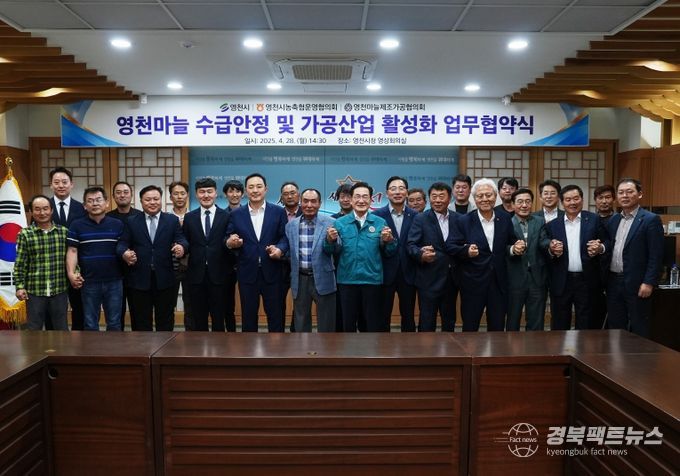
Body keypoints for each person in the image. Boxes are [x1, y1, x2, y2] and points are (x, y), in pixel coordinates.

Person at [324, 181, 397, 332]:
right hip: (347, 281)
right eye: (357, 197)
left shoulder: (380, 222)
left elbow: (389, 252)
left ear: (371, 200)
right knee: (347, 326)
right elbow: (330, 251)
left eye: (365, 197)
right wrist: (329, 241)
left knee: (371, 327)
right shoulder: (340, 223)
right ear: (351, 200)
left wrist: (389, 241)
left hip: (372, 281)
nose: (361, 200)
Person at [451, 178, 520, 331]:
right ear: (474, 199)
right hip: (472, 281)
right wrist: (466, 251)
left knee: (497, 325)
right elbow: (451, 246)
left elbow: (511, 241)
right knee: (470, 326)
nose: (484, 199)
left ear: (495, 197)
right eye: (480, 196)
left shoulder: (505, 218)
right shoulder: (464, 220)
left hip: (498, 280)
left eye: (488, 195)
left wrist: (516, 247)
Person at [118, 185, 188, 331]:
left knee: (165, 320)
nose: (152, 202)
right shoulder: (132, 221)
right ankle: (143, 346)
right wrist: (124, 253)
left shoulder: (171, 220)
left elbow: (182, 239)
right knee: (141, 321)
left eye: (156, 199)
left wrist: (181, 247)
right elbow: (122, 244)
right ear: (141, 202)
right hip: (139, 279)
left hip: (165, 278)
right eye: (148, 199)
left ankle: (165, 346)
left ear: (161, 200)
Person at [226, 173, 289, 332]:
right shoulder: (236, 214)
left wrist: (280, 249)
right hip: (247, 273)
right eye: (251, 187)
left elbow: (285, 237)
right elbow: (227, 236)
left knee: (276, 317)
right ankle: (249, 348)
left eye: (259, 187)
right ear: (246, 191)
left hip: (273, 272)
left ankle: (277, 347)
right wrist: (231, 242)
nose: (255, 190)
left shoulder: (278, 212)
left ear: (266, 189)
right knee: (248, 318)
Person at [543, 184, 608, 330]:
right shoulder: (553, 225)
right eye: (568, 200)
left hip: (587, 280)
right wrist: (551, 250)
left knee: (586, 321)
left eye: (576, 198)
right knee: (560, 322)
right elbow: (545, 251)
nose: (572, 202)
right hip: (561, 280)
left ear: (582, 200)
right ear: (562, 202)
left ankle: (583, 346)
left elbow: (608, 242)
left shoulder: (594, 220)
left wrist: (600, 248)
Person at [606, 178, 664, 338]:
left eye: (629, 192)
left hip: (638, 282)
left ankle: (639, 355)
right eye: (621, 192)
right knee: (616, 326)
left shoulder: (650, 219)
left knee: (639, 327)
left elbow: (656, 255)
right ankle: (617, 354)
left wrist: (648, 282)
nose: (625, 196)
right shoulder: (614, 220)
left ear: (640, 194)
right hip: (613, 281)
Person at [66, 186, 124, 331]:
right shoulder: (77, 225)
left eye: (98, 200)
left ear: (107, 203)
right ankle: (91, 347)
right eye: (90, 201)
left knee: (114, 322)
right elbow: (72, 250)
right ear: (85, 206)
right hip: (89, 281)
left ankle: (115, 347)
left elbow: (124, 248)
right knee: (90, 323)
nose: (95, 203)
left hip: (114, 281)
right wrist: (71, 274)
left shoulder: (118, 224)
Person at [407, 182, 459, 332]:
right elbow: (411, 245)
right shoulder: (421, 219)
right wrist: (421, 254)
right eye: (434, 196)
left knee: (449, 320)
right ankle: (425, 347)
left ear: (450, 198)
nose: (437, 200)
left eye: (441, 196)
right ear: (429, 199)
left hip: (452, 278)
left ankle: (449, 347)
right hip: (428, 278)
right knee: (427, 321)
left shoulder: (458, 218)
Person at [183, 178, 232, 331]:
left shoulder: (226, 216)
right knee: (199, 318)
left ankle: (219, 346)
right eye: (202, 192)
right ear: (196, 194)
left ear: (216, 193)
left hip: (219, 274)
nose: (206, 195)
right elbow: (186, 242)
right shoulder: (189, 217)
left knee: (219, 317)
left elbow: (229, 241)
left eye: (209, 191)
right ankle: (199, 346)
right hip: (196, 275)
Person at [14, 195, 69, 331]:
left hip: (59, 289)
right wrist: (19, 286)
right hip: (35, 291)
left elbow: (71, 259)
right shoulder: (25, 234)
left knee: (61, 329)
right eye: (37, 209)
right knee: (34, 329)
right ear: (31, 212)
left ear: (51, 210)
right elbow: (20, 263)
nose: (42, 213)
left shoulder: (63, 232)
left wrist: (76, 273)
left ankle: (60, 347)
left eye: (45, 208)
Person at [285, 189, 337, 332]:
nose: (309, 205)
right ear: (300, 203)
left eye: (313, 201)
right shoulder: (291, 226)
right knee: (301, 323)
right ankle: (303, 347)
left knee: (327, 324)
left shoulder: (331, 223)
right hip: (300, 279)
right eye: (305, 201)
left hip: (324, 277)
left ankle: (326, 347)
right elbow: (289, 252)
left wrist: (331, 241)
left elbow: (338, 248)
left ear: (319, 203)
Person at [374, 176, 417, 332]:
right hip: (385, 272)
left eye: (401, 188)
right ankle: (383, 346)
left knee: (409, 316)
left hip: (408, 271)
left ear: (407, 192)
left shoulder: (416, 215)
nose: (397, 192)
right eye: (393, 189)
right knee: (382, 315)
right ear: (387, 193)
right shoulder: (377, 216)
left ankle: (409, 345)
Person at [48, 166, 86, 330]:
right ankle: (52, 341)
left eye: (64, 182)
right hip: (52, 266)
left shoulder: (82, 208)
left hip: (78, 264)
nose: (61, 185)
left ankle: (80, 340)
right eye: (56, 182)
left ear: (72, 184)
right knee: (53, 310)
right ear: (51, 185)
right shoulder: (44, 207)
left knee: (79, 306)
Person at [506, 188, 548, 331]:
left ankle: (535, 345)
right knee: (513, 320)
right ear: (512, 205)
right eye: (520, 202)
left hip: (536, 278)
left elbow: (543, 241)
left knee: (536, 321)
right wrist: (512, 249)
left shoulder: (540, 221)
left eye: (528, 201)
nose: (524, 205)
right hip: (514, 278)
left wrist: (551, 245)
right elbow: (500, 247)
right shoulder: (506, 222)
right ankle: (510, 345)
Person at [107, 181, 143, 330]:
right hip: (113, 272)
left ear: (131, 195)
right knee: (115, 313)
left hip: (137, 271)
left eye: (126, 192)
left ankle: (139, 342)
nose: (122, 195)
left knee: (138, 313)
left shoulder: (140, 216)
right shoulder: (107, 218)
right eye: (118, 192)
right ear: (113, 196)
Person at [168, 181, 192, 330]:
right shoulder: (165, 218)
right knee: (168, 304)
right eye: (175, 194)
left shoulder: (195, 216)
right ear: (170, 197)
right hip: (170, 267)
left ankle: (191, 336)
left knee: (191, 304)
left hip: (191, 267)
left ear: (187, 195)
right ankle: (167, 336)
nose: (179, 197)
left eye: (182, 193)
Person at [592, 184, 616, 329]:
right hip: (593, 272)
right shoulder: (590, 220)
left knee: (614, 312)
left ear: (614, 199)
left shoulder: (619, 219)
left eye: (608, 197)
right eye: (600, 198)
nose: (604, 201)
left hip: (613, 272)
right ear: (595, 200)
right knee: (594, 312)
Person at [330, 183, 353, 331]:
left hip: (360, 272)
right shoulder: (331, 220)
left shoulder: (363, 219)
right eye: (342, 196)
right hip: (337, 272)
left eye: (349, 196)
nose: (345, 200)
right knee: (339, 313)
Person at [280, 181, 302, 331]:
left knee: (300, 302)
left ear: (298, 195)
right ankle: (278, 333)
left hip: (301, 266)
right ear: (281, 197)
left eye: (292, 193)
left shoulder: (307, 213)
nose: (289, 196)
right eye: (286, 194)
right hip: (280, 265)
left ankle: (296, 331)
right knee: (278, 301)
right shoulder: (276, 214)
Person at [222, 179, 244, 332]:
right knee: (227, 303)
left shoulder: (248, 213)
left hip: (244, 262)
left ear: (242, 194)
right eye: (231, 191)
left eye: (237, 191)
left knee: (248, 300)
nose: (234, 194)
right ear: (225, 194)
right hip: (226, 264)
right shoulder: (221, 214)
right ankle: (231, 332)